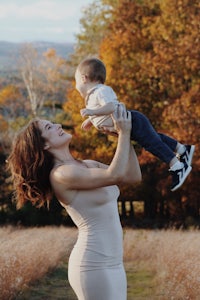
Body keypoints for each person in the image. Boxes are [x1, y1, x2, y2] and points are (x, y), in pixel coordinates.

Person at [7, 104, 142, 300]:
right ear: (44, 145)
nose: (57, 125)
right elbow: (115, 173)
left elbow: (132, 176)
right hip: (93, 265)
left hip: (114, 262)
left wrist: (125, 138)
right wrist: (123, 133)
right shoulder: (61, 174)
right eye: (49, 127)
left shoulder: (87, 165)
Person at [75, 57, 195, 192]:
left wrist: (92, 111)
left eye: (76, 82)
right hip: (131, 123)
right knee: (154, 138)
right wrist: (91, 119)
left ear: (84, 78)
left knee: (152, 143)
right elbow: (104, 112)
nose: (76, 86)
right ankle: (182, 150)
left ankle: (178, 167)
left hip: (133, 121)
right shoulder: (93, 95)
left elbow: (111, 106)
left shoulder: (100, 91)